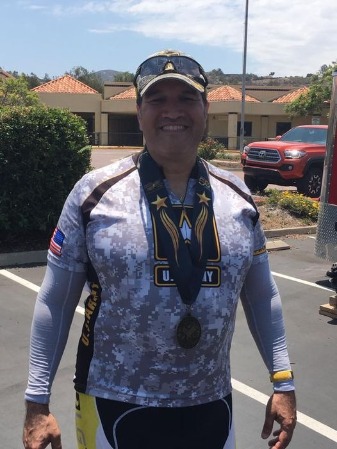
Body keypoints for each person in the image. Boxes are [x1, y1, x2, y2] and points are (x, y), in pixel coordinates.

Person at [23, 49, 296, 449]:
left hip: (211, 402)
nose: (173, 111)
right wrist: (36, 401)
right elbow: (55, 301)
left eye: (186, 99)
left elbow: (261, 295)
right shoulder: (94, 194)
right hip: (114, 401)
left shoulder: (238, 198)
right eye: (157, 99)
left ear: (205, 108)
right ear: (139, 111)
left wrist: (283, 379)